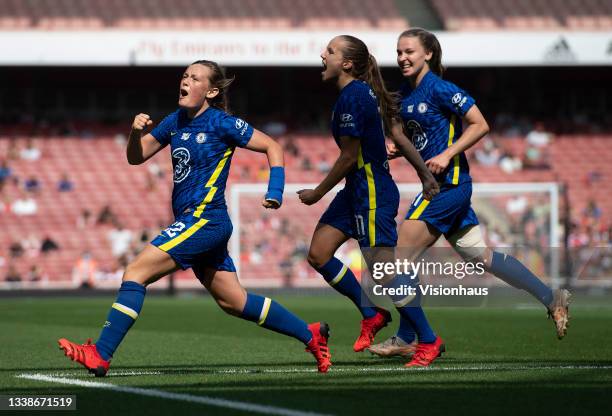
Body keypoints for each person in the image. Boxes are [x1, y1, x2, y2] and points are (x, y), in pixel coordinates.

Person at [58, 60, 331, 376]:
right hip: (198, 221)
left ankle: (101, 354)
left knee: (136, 270)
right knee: (234, 302)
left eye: (194, 77)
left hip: (206, 219)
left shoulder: (220, 122)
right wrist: (135, 134)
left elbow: (272, 146)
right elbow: (137, 157)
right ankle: (309, 334)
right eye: (185, 75)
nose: (185, 80)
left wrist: (276, 188)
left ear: (211, 91)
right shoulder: (174, 121)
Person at [368, 28, 571, 362]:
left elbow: (480, 124)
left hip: (448, 185)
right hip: (442, 185)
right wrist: (398, 149)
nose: (402, 58)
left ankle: (409, 337)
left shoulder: (441, 89)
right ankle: (552, 298)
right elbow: (421, 141)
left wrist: (448, 154)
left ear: (428, 54)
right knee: (481, 256)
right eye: (399, 52)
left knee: (397, 256)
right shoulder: (405, 95)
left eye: (409, 52)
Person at [297, 35, 439, 361]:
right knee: (319, 254)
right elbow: (396, 136)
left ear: (347, 63)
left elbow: (349, 157)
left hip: (371, 191)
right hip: (356, 190)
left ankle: (427, 340)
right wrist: (424, 174)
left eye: (330, 51)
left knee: (384, 271)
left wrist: (318, 192)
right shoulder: (360, 94)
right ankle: (372, 314)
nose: (322, 54)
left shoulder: (354, 97)